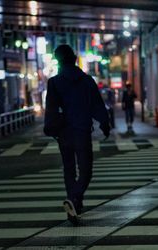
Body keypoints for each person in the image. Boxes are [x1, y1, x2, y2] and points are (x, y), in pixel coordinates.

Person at [44, 44, 110, 225]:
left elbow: (50, 109)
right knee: (86, 170)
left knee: (69, 169)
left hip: (64, 132)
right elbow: (97, 104)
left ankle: (73, 203)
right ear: (74, 59)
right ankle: (75, 200)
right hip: (81, 130)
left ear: (59, 61)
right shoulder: (87, 81)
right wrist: (104, 123)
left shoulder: (54, 82)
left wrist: (52, 128)